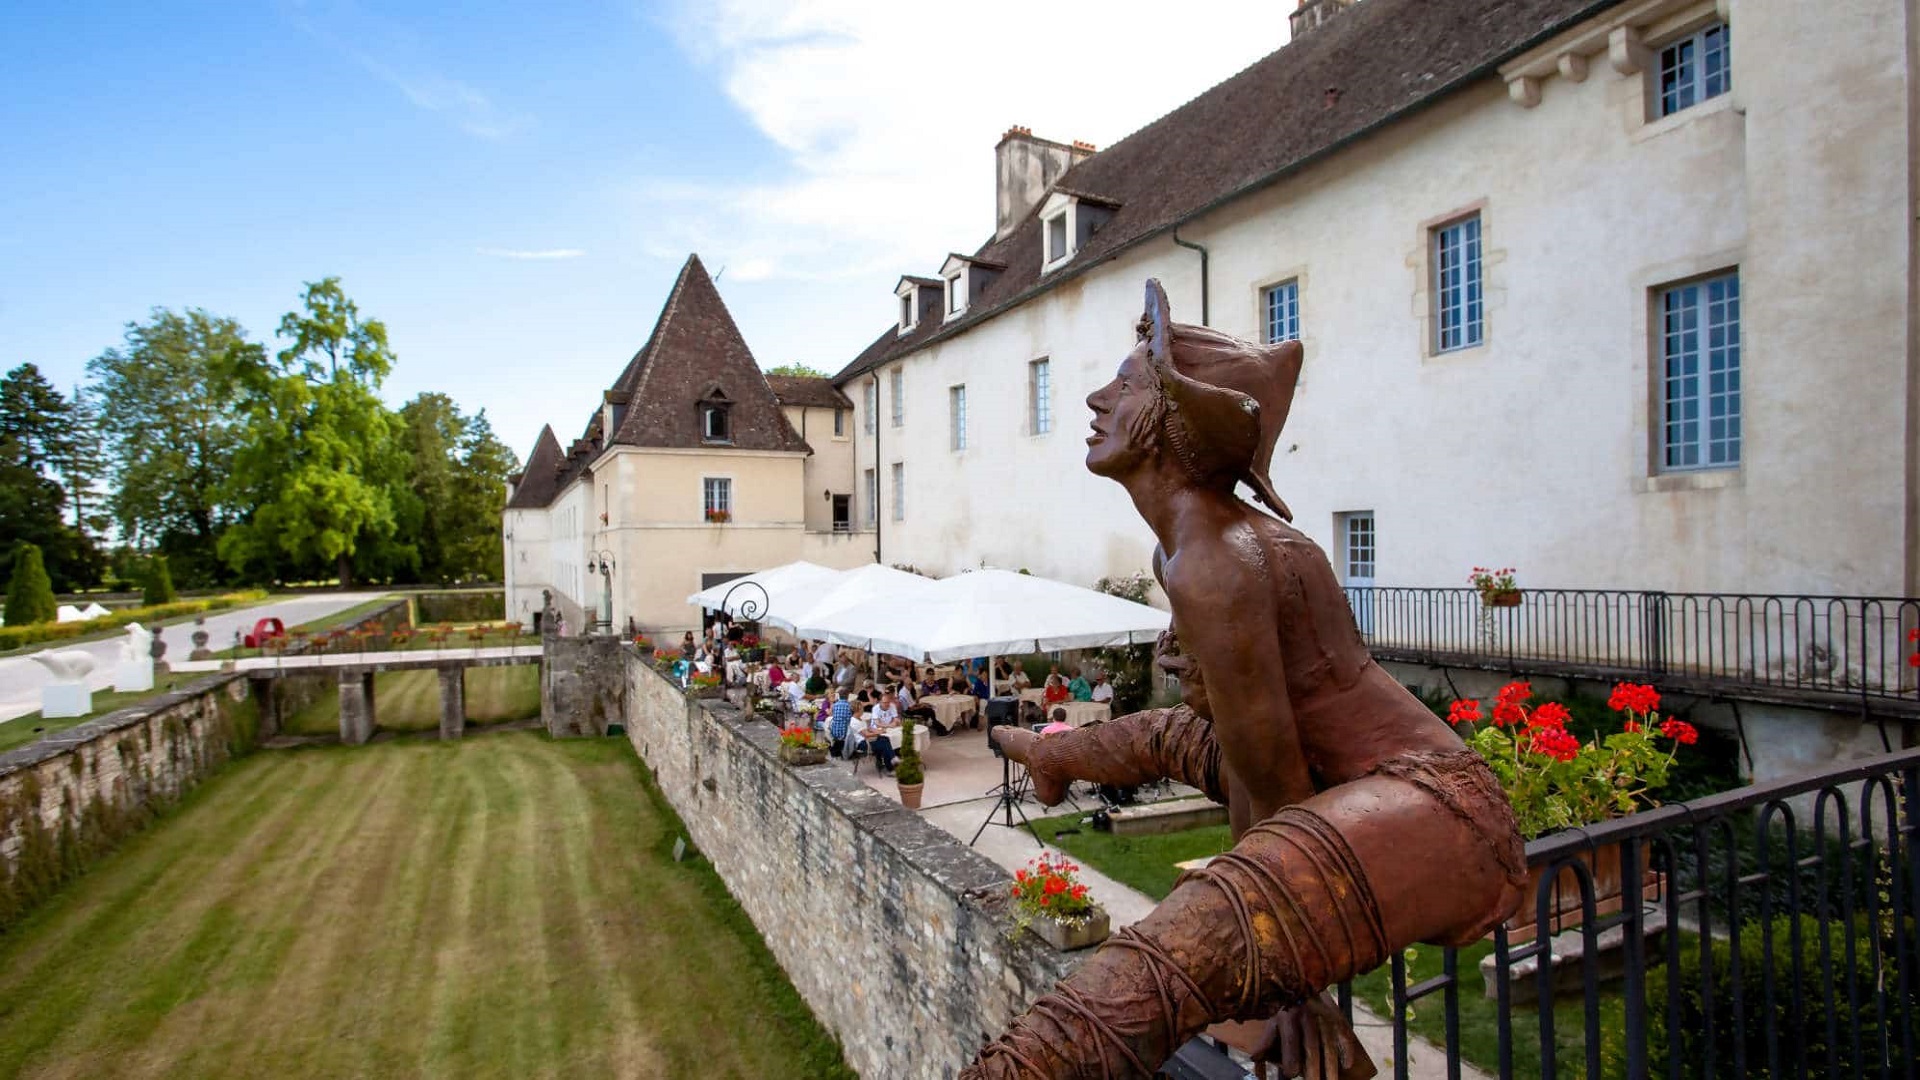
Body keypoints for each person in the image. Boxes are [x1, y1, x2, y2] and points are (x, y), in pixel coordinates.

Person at [965, 280, 1524, 1080]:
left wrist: (1287, 963)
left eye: (1123, 385)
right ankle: (1064, 757)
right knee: (1179, 733)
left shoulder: (1215, 561)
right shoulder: (1200, 546)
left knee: (1162, 961)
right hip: (1364, 783)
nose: (1095, 399)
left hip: (1437, 813)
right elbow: (1248, 747)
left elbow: (1274, 782)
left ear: (1172, 419)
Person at [855, 691, 903, 772]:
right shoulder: (855, 721)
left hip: (868, 738)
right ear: (858, 710)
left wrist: (876, 732)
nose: (863, 710)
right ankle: (891, 765)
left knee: (886, 740)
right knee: (884, 743)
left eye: (888, 702)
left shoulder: (860, 719)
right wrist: (878, 733)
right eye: (862, 709)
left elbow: (868, 728)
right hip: (863, 743)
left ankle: (892, 758)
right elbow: (867, 734)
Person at [826, 690, 857, 757]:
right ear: (848, 696)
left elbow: (831, 715)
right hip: (845, 732)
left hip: (834, 731)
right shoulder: (849, 706)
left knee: (830, 721)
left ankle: (835, 746)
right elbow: (851, 719)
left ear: (839, 696)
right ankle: (851, 749)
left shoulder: (835, 705)